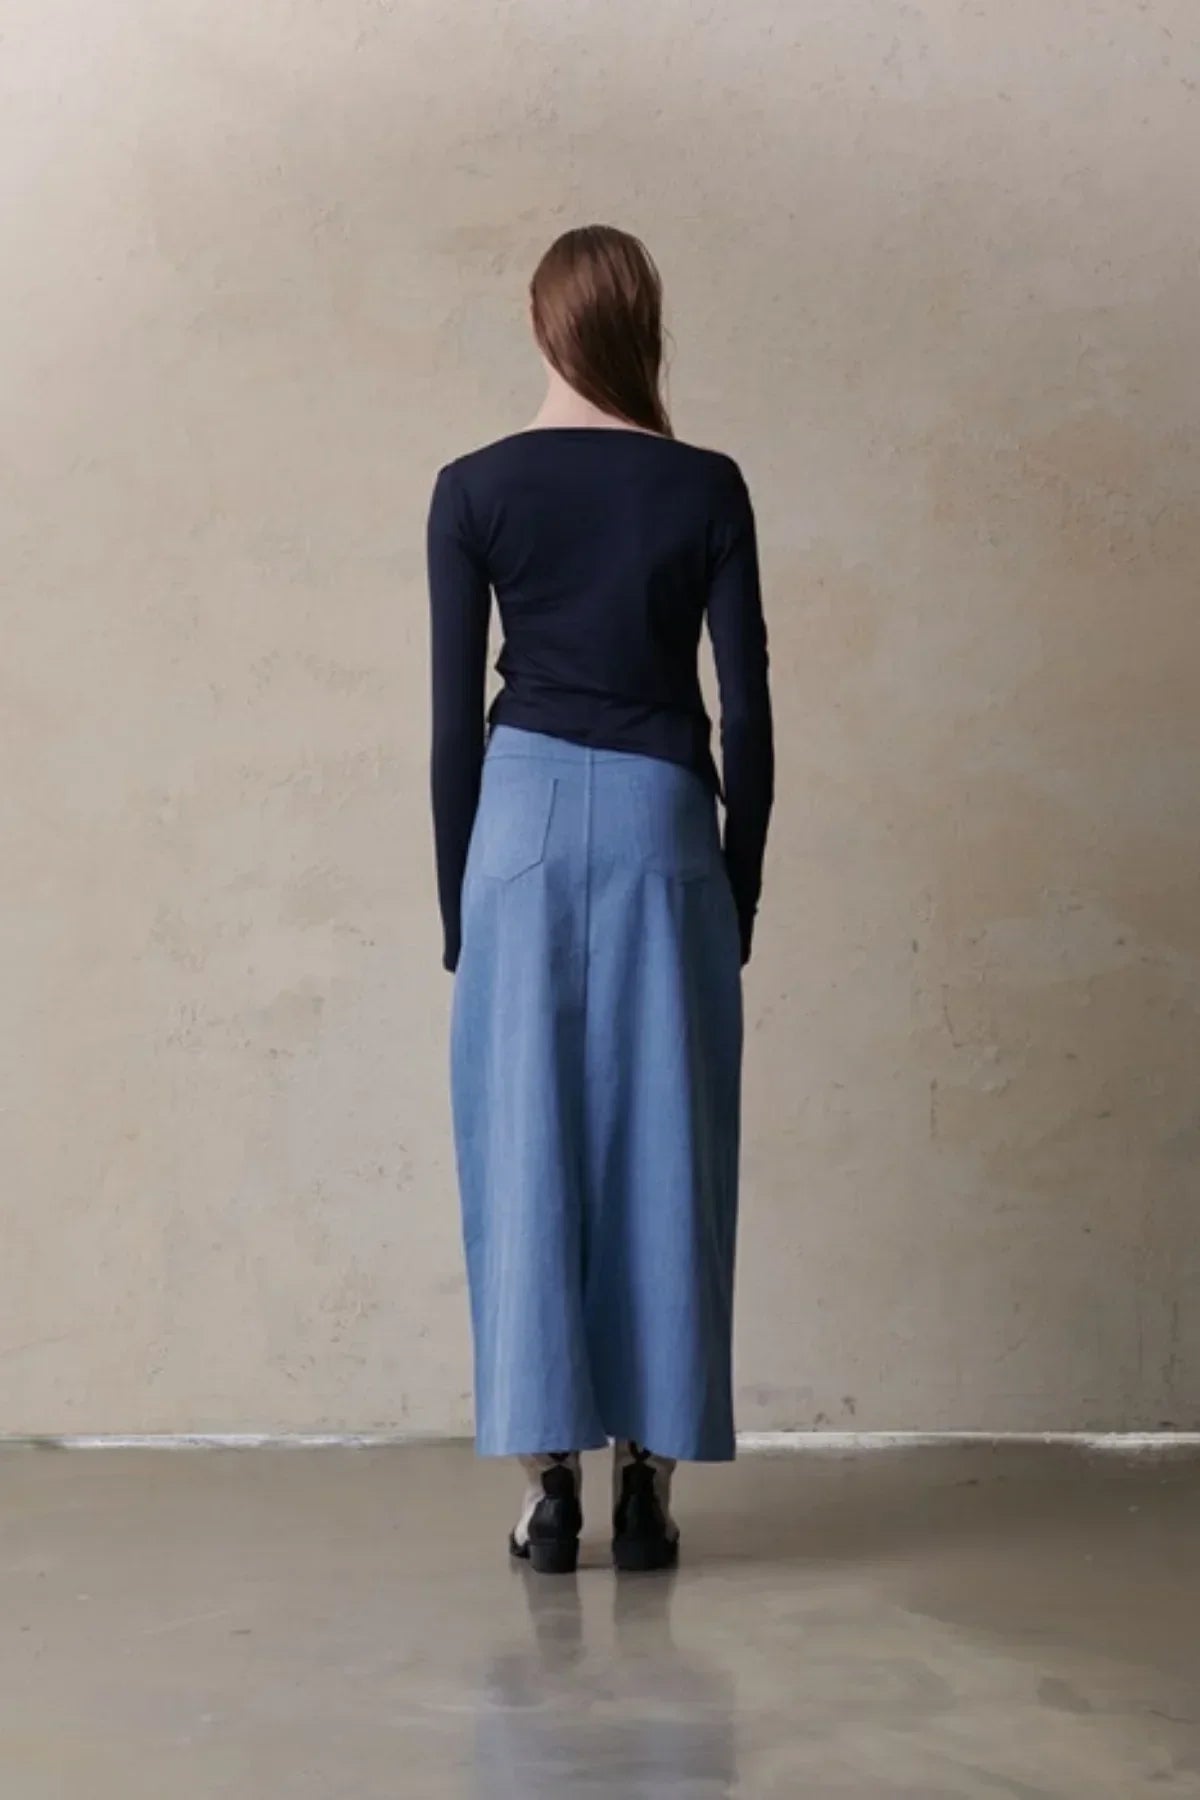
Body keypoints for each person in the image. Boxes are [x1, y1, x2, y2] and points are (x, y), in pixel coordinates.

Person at [425, 223, 774, 1574]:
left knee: (521, 1144)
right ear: (647, 327)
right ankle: (649, 1492)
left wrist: (461, 901)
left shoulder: (473, 487)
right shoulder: (707, 487)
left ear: (539, 322)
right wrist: (734, 893)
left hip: (515, 819)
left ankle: (547, 1488)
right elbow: (745, 710)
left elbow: (456, 722)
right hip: (662, 821)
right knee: (669, 1148)